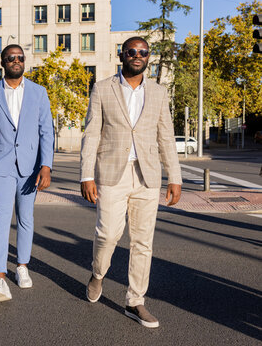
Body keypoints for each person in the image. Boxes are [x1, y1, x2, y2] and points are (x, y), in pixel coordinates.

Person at [80, 37, 182, 328]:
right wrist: (87, 175)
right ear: (122, 55)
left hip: (147, 175)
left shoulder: (159, 93)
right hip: (112, 173)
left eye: (143, 52)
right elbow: (92, 134)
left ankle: (135, 301)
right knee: (108, 234)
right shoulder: (102, 88)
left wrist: (174, 177)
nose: (137, 55)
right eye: (132, 51)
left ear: (148, 57)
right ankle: (98, 274)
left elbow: (166, 137)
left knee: (142, 242)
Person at [0, 44, 55, 301]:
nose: (16, 61)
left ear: (24, 62)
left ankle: (22, 266)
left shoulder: (38, 92)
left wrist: (46, 165)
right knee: (0, 219)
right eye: (11, 58)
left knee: (25, 217)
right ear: (2, 62)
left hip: (30, 166)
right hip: (0, 166)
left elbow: (47, 131)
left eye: (20, 57)